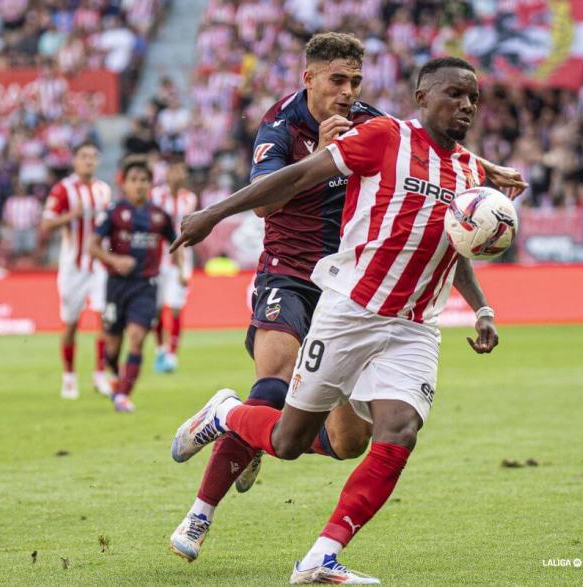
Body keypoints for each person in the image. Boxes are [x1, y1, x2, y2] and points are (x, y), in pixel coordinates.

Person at [167, 34, 525, 564]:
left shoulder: (379, 125)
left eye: (356, 81)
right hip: (295, 273)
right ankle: (204, 502)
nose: (348, 92)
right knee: (272, 391)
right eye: (338, 80)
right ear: (308, 77)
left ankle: (315, 547)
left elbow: (432, 156)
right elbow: (274, 199)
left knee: (353, 441)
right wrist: (215, 212)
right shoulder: (281, 126)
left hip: (387, 300)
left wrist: (482, 170)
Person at [89, 156, 180, 412]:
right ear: (124, 184)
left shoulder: (159, 216)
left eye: (144, 180)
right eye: (134, 180)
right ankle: (116, 375)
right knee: (112, 345)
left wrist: (181, 268)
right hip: (116, 286)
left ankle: (123, 396)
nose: (139, 185)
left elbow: (177, 243)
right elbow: (92, 246)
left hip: (146, 285)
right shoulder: (114, 212)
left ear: (150, 184)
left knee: (137, 337)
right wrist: (114, 259)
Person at [41, 141, 113, 400]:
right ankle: (69, 377)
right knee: (71, 324)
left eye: (93, 156)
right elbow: (46, 223)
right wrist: (72, 215)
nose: (89, 161)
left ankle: (99, 374)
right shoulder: (63, 189)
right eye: (84, 156)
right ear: (75, 161)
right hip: (73, 267)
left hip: (98, 265)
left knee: (104, 318)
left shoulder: (104, 190)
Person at [151, 156, 196, 373]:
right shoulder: (156, 196)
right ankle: (160, 349)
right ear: (168, 173)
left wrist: (181, 266)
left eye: (182, 171)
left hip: (182, 260)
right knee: (157, 309)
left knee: (176, 308)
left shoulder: (190, 199)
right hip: (157, 260)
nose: (179, 175)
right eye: (175, 170)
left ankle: (172, 354)